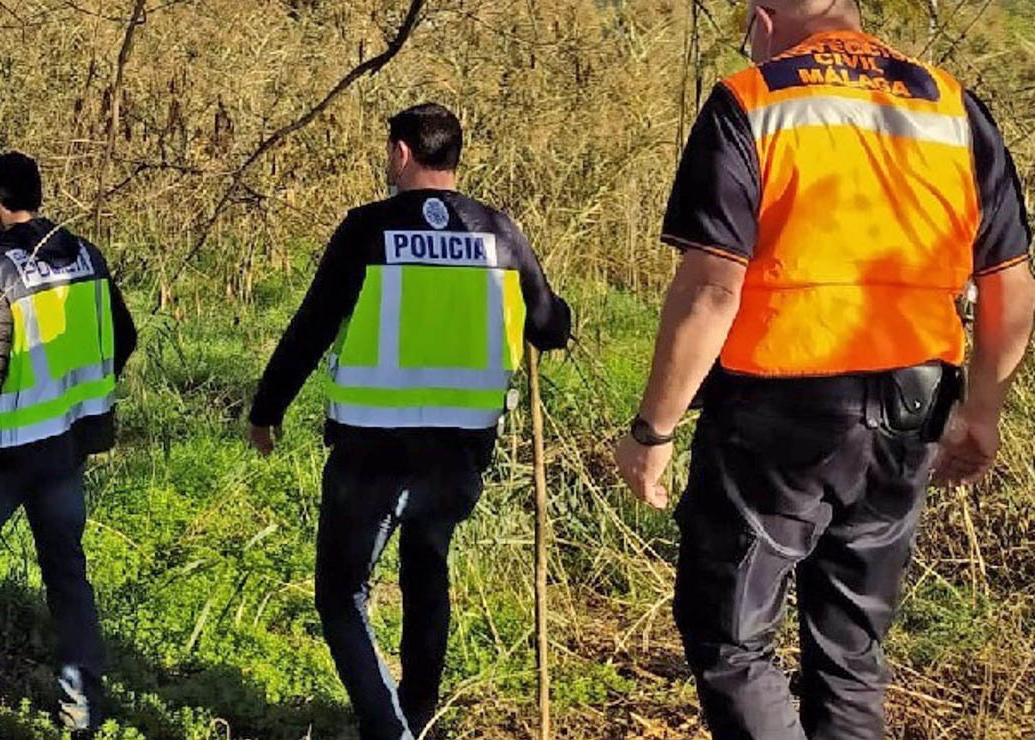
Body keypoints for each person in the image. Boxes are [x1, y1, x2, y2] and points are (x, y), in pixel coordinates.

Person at [614, 1, 1035, 738]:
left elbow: (713, 286)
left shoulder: (752, 99)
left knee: (731, 637)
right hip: (912, 407)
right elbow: (1011, 282)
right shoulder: (952, 106)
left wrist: (655, 429)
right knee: (850, 656)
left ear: (763, 18)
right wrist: (984, 412)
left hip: (781, 408)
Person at [248, 102, 571, 740]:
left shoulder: (368, 229)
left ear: (401, 153)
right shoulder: (501, 233)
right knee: (428, 569)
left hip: (373, 443)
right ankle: (415, 713)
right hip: (460, 448)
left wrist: (267, 409)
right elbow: (551, 328)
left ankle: (391, 730)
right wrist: (552, 304)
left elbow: (313, 325)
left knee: (341, 595)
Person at [0, 152, 138, 733]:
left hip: (2, 455)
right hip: (65, 447)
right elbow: (124, 334)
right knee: (67, 574)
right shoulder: (87, 254)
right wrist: (78, 394)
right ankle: (81, 709)